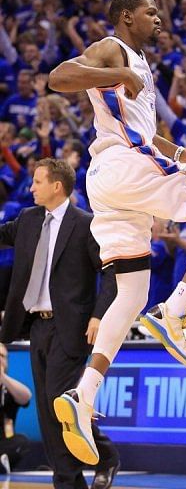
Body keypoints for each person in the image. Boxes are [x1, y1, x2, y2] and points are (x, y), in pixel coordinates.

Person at [48, 0, 186, 467]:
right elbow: (58, 76)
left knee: (129, 294)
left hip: (113, 181)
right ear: (127, 16)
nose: (159, 17)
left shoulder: (140, 66)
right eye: (150, 10)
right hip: (125, 168)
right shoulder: (114, 48)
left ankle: (83, 396)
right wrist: (119, 71)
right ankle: (174, 311)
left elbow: (146, 134)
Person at [0, 159, 120, 489]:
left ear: (57, 186)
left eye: (38, 182)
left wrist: (99, 315)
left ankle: (104, 457)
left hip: (71, 328)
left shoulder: (85, 224)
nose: (31, 187)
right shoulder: (28, 219)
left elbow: (111, 275)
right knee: (49, 410)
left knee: (60, 405)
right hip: (36, 326)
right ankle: (71, 481)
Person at [0, 343, 31, 474]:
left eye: (2, 356)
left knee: (21, 442)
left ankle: (2, 461)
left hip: (2, 444)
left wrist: (3, 378)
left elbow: (26, 397)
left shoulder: (9, 387)